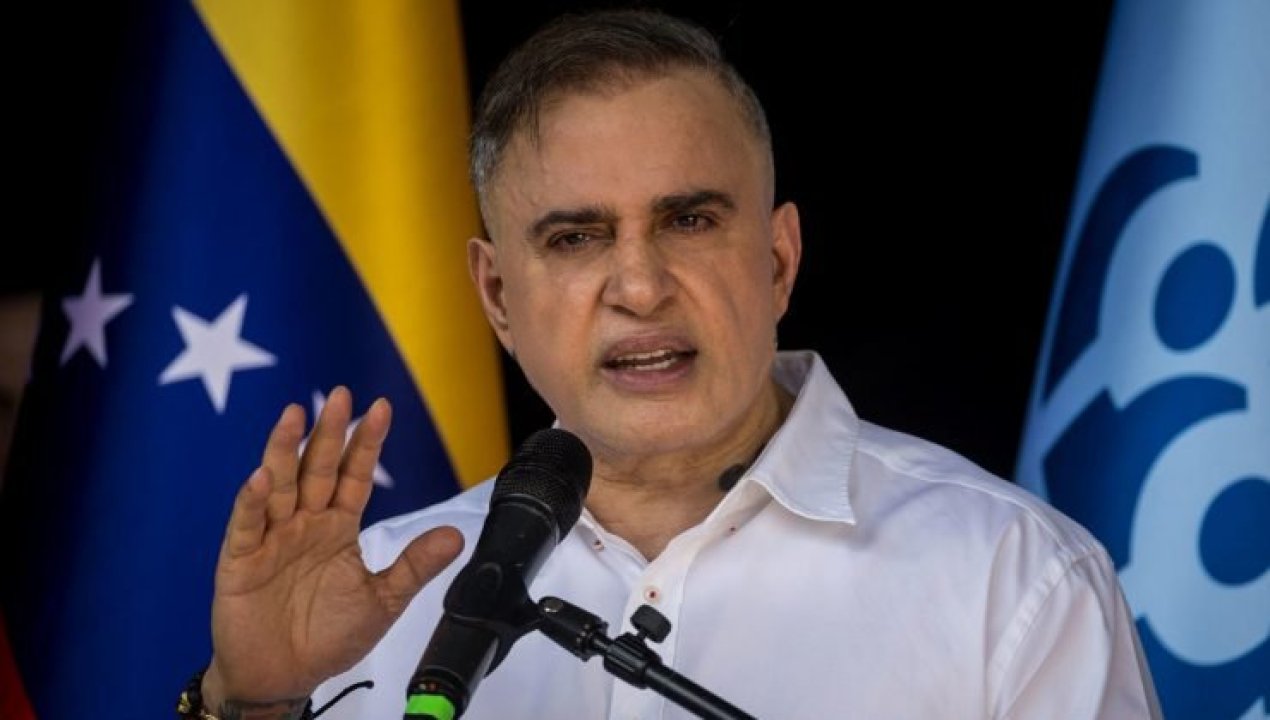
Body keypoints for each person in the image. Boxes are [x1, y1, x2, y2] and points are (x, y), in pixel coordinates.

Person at [185, 8, 1161, 719]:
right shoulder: (375, 599)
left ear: (777, 261)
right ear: (497, 297)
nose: (640, 286)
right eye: (575, 238)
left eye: (689, 220)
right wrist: (251, 703)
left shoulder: (1013, 581)